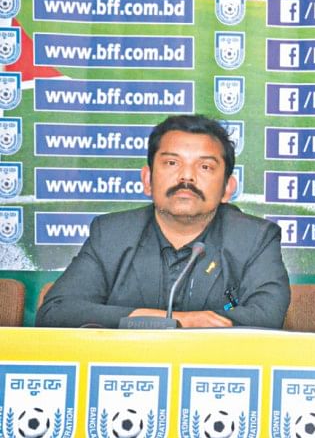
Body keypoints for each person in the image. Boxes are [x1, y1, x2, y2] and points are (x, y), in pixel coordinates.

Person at [37, 115, 290, 329]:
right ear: (147, 180)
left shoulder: (254, 238)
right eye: (171, 163)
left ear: (227, 188)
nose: (186, 177)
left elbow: (266, 317)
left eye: (204, 167)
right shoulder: (112, 234)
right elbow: (56, 312)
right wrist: (175, 321)